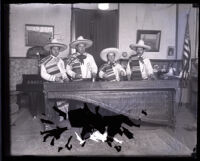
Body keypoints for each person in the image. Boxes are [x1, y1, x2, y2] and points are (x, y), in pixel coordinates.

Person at [40, 38, 69, 122]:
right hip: (51, 84)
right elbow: (43, 74)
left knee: (64, 99)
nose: (56, 51)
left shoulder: (61, 61)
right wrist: (54, 78)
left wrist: (65, 77)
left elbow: (63, 71)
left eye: (58, 49)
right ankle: (51, 119)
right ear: (50, 49)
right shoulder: (44, 61)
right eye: (54, 49)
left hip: (61, 83)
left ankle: (63, 116)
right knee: (51, 102)